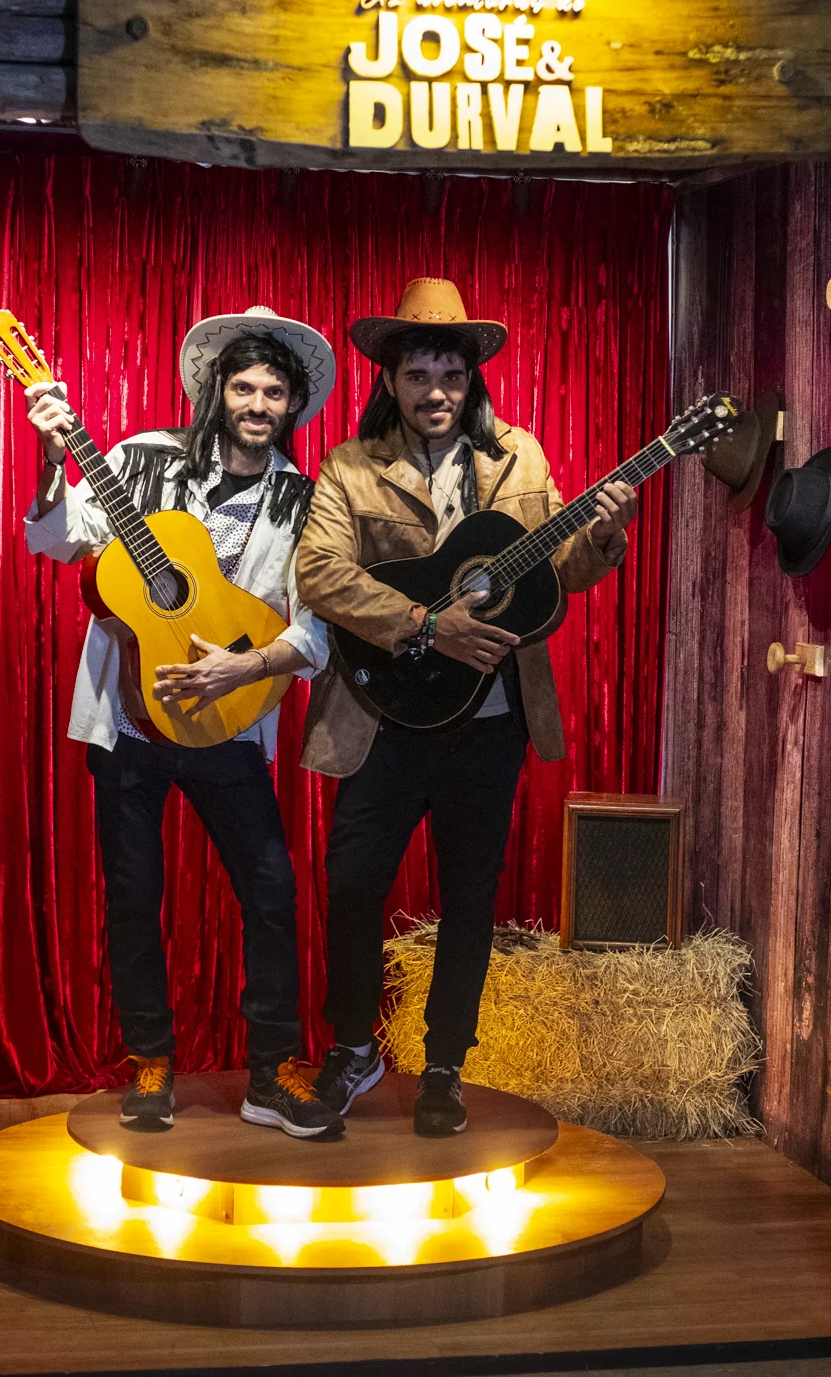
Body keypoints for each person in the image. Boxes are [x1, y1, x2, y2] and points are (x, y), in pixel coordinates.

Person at [296, 277, 637, 1138]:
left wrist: (603, 537)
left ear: (471, 378)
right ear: (391, 380)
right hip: (382, 715)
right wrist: (424, 623)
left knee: (470, 896)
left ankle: (445, 1063)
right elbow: (320, 574)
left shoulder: (520, 457)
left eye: (451, 375)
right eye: (419, 375)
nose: (436, 392)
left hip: (490, 720)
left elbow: (556, 575)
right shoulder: (349, 466)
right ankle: (353, 1048)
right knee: (353, 884)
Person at [23, 306, 341, 1139]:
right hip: (129, 727)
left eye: (275, 392)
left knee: (271, 891)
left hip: (229, 724)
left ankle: (272, 1072)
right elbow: (59, 540)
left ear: (292, 404)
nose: (259, 404)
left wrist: (247, 666)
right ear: (216, 390)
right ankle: (150, 1060)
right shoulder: (141, 459)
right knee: (134, 894)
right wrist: (54, 461)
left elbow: (316, 628)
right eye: (245, 387)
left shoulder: (306, 502)